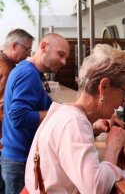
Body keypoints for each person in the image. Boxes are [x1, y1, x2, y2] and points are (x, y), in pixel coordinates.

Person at [23, 44, 125, 194]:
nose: (123, 102)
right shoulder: (74, 123)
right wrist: (112, 148)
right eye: (124, 93)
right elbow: (95, 189)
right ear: (104, 87)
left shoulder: (66, 113)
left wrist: (92, 130)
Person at [1, 33, 70, 194]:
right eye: (61, 55)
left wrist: (72, 110)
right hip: (19, 160)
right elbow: (18, 117)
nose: (64, 62)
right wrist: (56, 114)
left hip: (16, 156)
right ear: (44, 47)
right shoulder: (28, 74)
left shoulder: (31, 72)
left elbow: (49, 105)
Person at [0, 28, 34, 194]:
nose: (28, 55)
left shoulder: (9, 65)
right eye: (26, 49)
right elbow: (8, 110)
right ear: (14, 45)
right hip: (7, 143)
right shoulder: (6, 70)